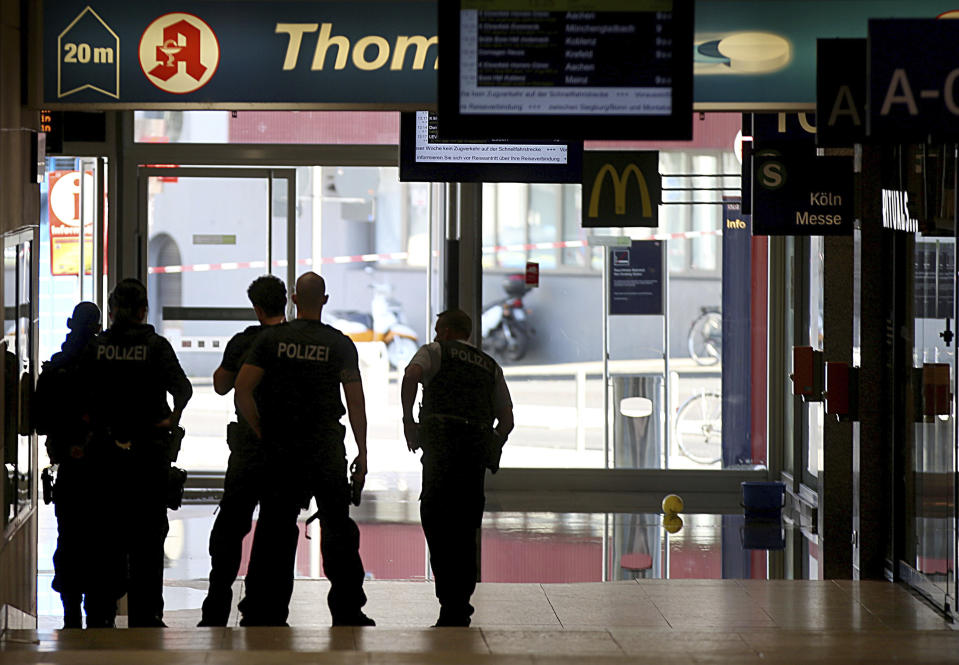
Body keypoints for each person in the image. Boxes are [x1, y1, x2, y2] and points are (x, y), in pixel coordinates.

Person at [233, 271, 374, 627]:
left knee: (274, 530)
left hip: (282, 448)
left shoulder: (272, 341)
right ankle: (347, 610)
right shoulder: (340, 344)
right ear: (324, 300)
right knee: (339, 530)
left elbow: (242, 390)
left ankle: (265, 609)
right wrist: (362, 450)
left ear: (294, 299)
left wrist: (261, 430)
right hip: (326, 447)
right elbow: (355, 401)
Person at [84, 278, 193, 627]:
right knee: (147, 538)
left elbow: (80, 395)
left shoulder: (96, 347)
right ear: (144, 310)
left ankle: (101, 611)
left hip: (103, 457)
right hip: (148, 457)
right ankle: (147, 614)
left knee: (104, 536)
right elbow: (184, 389)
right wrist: (169, 421)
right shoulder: (156, 347)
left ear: (113, 310)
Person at [401, 309, 514, 627]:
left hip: (441, 448)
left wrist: (409, 421)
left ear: (449, 331)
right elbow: (507, 419)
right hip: (474, 451)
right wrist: (493, 444)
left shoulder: (434, 352)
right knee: (466, 526)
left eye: (439, 330)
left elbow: (411, 375)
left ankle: (447, 596)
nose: (436, 335)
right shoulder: (491, 366)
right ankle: (460, 601)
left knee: (435, 518)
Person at [198, 275, 287, 627]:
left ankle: (217, 605)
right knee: (275, 529)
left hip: (249, 448)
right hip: (286, 450)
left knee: (230, 528)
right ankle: (264, 607)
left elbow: (221, 385)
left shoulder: (244, 341)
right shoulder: (294, 341)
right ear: (285, 302)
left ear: (257, 307)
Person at [35, 302, 102, 628]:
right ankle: (99, 611)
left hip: (68, 470)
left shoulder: (56, 367)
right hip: (103, 469)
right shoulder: (106, 364)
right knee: (103, 538)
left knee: (69, 538)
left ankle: (71, 610)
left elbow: (39, 421)